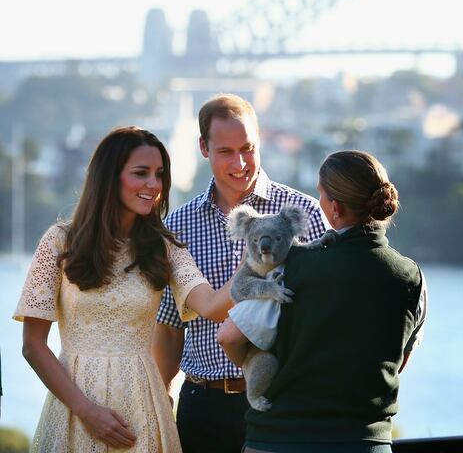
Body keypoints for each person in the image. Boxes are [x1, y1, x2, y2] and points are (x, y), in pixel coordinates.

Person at [13, 126, 263, 452]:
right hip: (74, 409)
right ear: (109, 176)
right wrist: (87, 411)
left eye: (159, 175)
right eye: (141, 173)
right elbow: (33, 345)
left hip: (142, 409)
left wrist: (256, 261)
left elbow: (213, 306)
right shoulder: (59, 242)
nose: (153, 185)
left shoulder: (164, 247)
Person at [218, 150, 428, 453]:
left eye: (320, 196)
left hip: (279, 440)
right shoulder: (412, 278)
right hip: (364, 442)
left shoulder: (292, 268)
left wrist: (260, 371)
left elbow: (228, 336)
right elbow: (400, 360)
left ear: (335, 208)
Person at [153, 94, 326, 453]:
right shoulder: (177, 227)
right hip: (204, 405)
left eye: (248, 148)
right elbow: (169, 329)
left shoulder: (302, 214)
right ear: (204, 147)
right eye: (226, 151)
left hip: (282, 398)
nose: (240, 162)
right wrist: (161, 405)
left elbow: (327, 313)